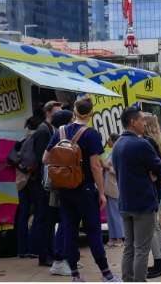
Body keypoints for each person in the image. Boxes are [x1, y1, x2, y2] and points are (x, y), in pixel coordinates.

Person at [43, 97, 122, 282]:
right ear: (91, 113)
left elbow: (45, 159)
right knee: (93, 232)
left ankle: (75, 276)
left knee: (70, 230)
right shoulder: (90, 133)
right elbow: (95, 166)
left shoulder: (60, 131)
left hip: (64, 190)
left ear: (74, 113)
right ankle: (106, 274)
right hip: (85, 190)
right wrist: (101, 193)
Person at [111, 106, 161, 282]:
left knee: (129, 248)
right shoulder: (141, 143)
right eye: (142, 120)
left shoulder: (117, 143)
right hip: (142, 205)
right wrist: (149, 173)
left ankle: (128, 280)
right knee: (142, 250)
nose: (144, 123)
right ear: (133, 122)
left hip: (125, 204)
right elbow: (160, 168)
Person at [28, 101, 72, 272]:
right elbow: (43, 160)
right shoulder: (43, 131)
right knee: (44, 219)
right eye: (56, 113)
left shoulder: (50, 130)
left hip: (47, 183)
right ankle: (43, 255)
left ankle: (51, 253)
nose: (59, 115)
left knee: (51, 219)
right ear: (48, 114)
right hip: (43, 183)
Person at [142, 112, 161, 278]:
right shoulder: (157, 142)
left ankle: (159, 262)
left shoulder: (147, 142)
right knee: (156, 226)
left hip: (151, 187)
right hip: (157, 186)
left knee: (152, 227)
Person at [16, 116, 43, 259]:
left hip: (20, 181)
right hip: (32, 179)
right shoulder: (36, 138)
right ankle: (34, 248)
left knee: (23, 214)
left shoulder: (21, 141)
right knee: (38, 212)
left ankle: (22, 250)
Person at [101, 133, 124, 248]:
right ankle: (112, 237)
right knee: (109, 215)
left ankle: (119, 238)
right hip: (108, 187)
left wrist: (107, 167)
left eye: (109, 139)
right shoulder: (111, 153)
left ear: (114, 141)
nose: (108, 142)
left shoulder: (118, 153)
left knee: (115, 214)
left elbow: (120, 170)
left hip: (114, 187)